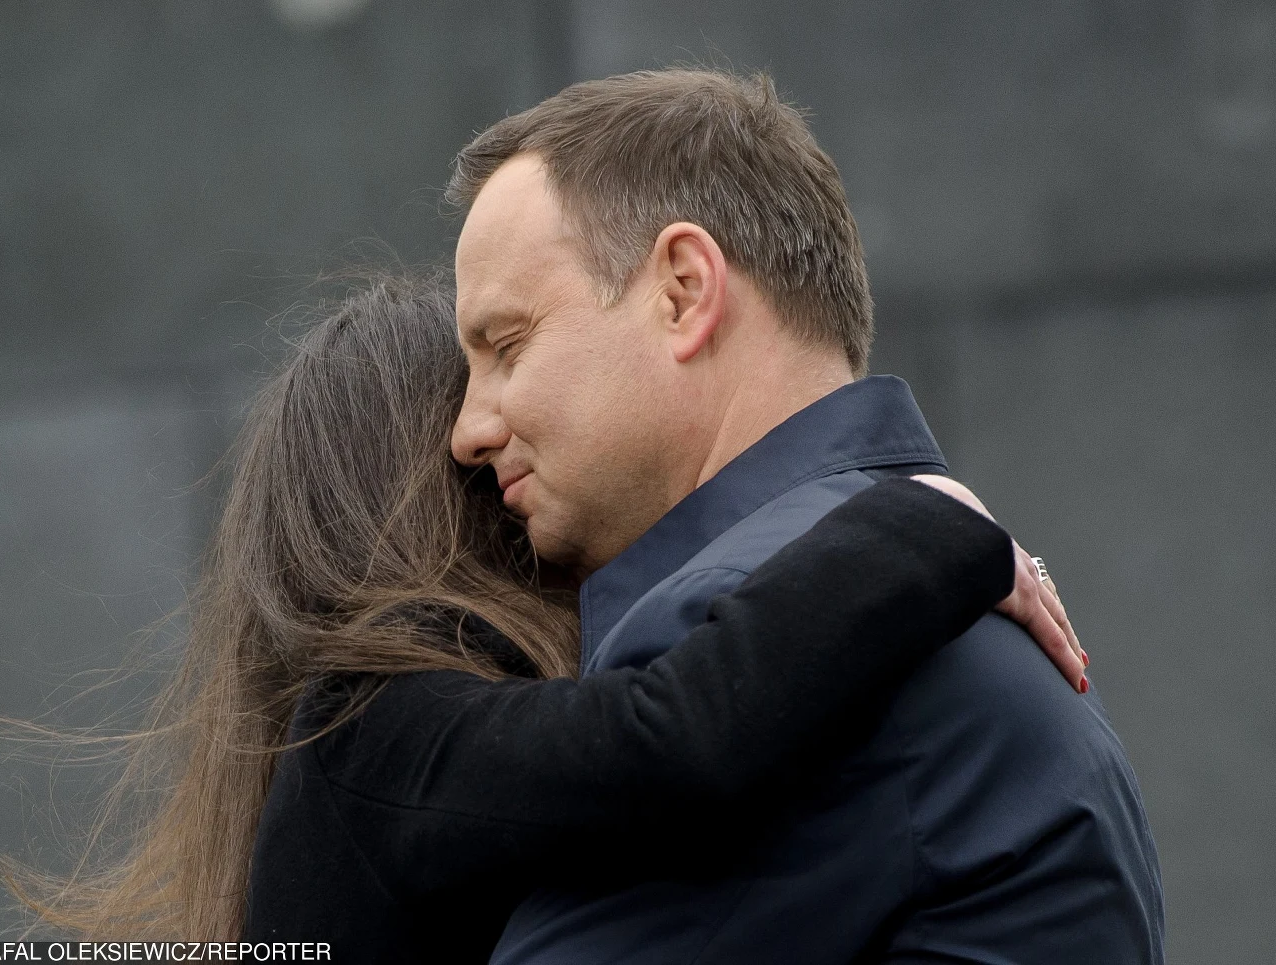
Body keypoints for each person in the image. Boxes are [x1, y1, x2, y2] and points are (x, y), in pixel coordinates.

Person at [0, 274, 1068, 956]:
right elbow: (670, 738)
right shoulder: (375, 725)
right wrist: (926, 521)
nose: (501, 427)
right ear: (449, 478)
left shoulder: (354, 744)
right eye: (484, 390)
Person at [447, 68, 1164, 963]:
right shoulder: (923, 596)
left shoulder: (752, 632)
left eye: (507, 345)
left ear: (683, 290)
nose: (467, 431)